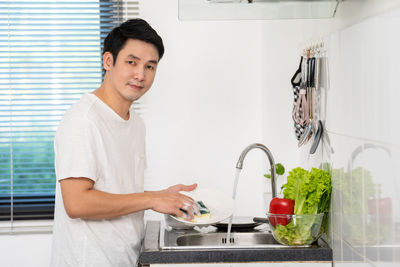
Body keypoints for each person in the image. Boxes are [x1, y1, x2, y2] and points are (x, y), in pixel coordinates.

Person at [51, 19, 197, 266]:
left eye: (150, 67)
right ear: (109, 61)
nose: (140, 75)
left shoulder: (136, 123)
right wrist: (152, 199)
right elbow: (77, 203)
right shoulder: (83, 121)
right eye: (132, 62)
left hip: (125, 258)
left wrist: (160, 195)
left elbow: (118, 192)